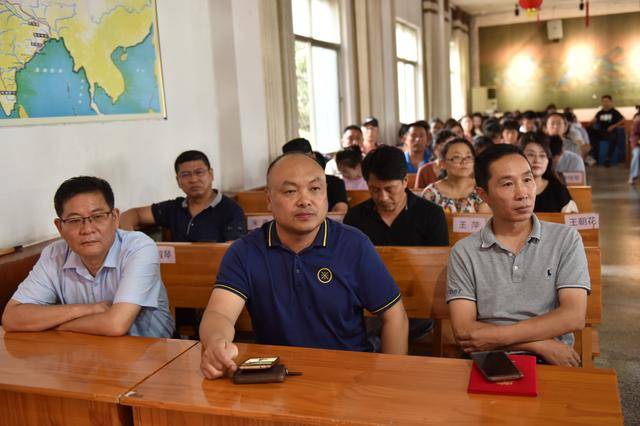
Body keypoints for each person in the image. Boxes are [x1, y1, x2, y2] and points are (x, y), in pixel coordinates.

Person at [198, 153, 409, 379]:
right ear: (269, 199)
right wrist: (216, 342)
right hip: (275, 377)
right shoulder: (245, 251)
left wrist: (390, 379)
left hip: (348, 376)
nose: (305, 200)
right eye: (290, 191)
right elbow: (220, 313)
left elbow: (394, 315)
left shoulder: (354, 245)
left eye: (315, 189)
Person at [447, 144, 590, 366]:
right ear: (483, 194)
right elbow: (465, 331)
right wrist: (538, 344)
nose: (522, 193)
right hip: (490, 357)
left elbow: (573, 315)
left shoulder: (566, 239)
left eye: (527, 179)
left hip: (553, 360)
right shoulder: (465, 252)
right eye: (507, 184)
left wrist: (497, 337)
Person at [2, 176, 174, 338]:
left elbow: (115, 325)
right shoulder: (54, 254)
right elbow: (12, 317)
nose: (87, 229)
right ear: (59, 227)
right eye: (74, 220)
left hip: (149, 353)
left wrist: (53, 325)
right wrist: (88, 309)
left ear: (115, 218)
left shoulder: (139, 247)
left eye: (97, 217)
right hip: (83, 352)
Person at [120, 150, 246, 242]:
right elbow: (131, 215)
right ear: (178, 180)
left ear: (211, 174)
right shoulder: (173, 208)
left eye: (199, 172)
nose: (193, 179)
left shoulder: (231, 210)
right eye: (185, 175)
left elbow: (232, 252)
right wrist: (130, 240)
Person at [344, 145, 448, 246]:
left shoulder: (432, 215)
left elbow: (439, 261)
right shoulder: (354, 218)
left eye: (389, 189)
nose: (383, 197)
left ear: (405, 181)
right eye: (375, 190)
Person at [422, 138, 491, 214]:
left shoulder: (484, 189)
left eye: (468, 157)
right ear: (443, 163)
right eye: (457, 157)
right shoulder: (430, 193)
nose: (464, 162)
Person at [282, 138, 349, 214]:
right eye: (295, 160)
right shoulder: (284, 185)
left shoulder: (335, 182)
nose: (302, 163)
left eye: (306, 158)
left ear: (313, 156)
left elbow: (340, 212)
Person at [520, 133, 578, 213]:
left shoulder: (558, 189)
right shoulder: (512, 188)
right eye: (531, 154)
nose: (537, 160)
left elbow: (572, 221)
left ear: (548, 160)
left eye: (542, 155)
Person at [588, 95, 626, 166]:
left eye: (606, 101)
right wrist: (591, 122)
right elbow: (593, 120)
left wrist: (614, 126)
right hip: (601, 132)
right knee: (589, 131)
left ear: (611, 102)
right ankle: (595, 158)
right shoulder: (600, 113)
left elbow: (623, 120)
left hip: (610, 133)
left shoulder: (614, 112)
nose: (605, 103)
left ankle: (608, 159)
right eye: (603, 102)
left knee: (613, 137)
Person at [629, 111, 640, 184]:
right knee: (637, 154)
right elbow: (634, 136)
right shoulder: (635, 125)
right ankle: (633, 175)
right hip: (637, 145)